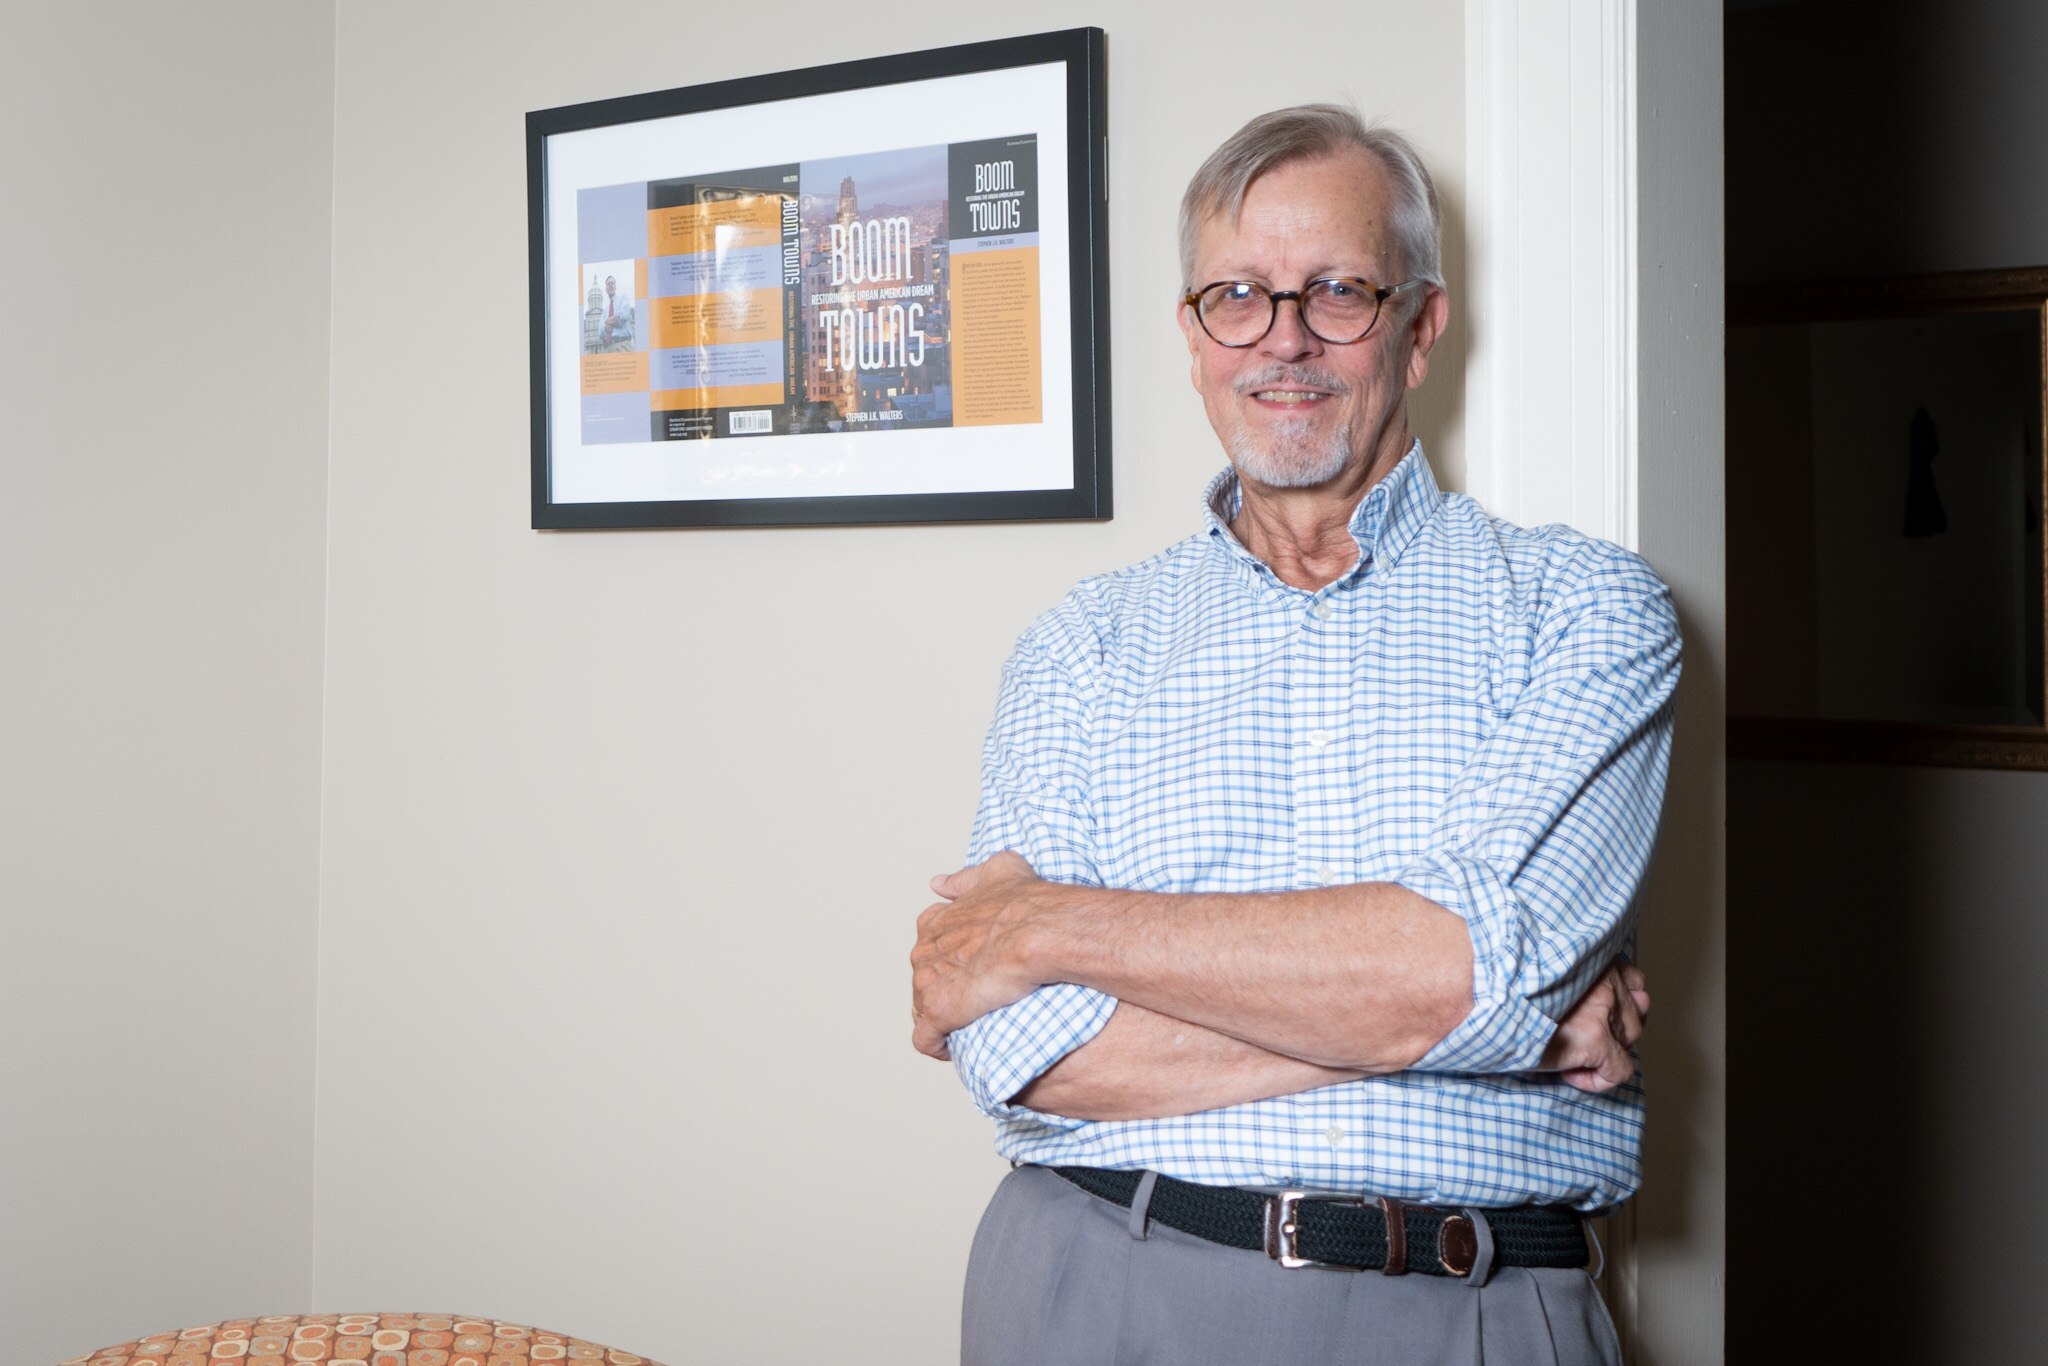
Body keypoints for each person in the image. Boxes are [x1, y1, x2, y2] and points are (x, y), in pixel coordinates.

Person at [909, 104, 1678, 1366]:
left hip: (1467, 1310)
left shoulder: (1586, 608)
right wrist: (1499, 1029)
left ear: (1418, 325)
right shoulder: (1082, 643)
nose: (1282, 339)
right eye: (1237, 296)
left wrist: (1044, 926)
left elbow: (1462, 975)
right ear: (1192, 334)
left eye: (1335, 291)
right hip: (1096, 1281)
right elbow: (1022, 1050)